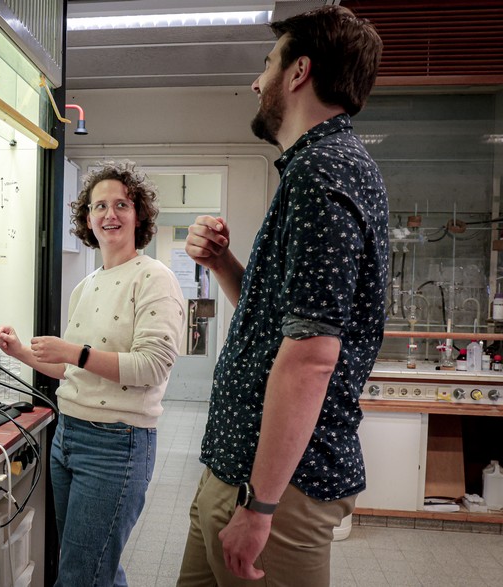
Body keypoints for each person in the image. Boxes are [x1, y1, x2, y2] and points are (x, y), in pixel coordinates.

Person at [176, 6, 387, 587]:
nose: (255, 80)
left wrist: (261, 507)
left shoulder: (324, 170)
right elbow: (281, 326)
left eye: (267, 63)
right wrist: (222, 263)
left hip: (276, 490)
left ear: (297, 73)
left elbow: (313, 358)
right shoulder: (316, 169)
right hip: (237, 468)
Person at [0, 160, 186, 587]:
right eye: (99, 206)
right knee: (94, 567)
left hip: (117, 444)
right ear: (86, 219)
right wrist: (22, 352)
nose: (110, 214)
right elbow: (70, 370)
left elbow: (151, 368)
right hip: (69, 437)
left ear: (140, 217)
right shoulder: (87, 284)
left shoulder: (155, 278)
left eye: (122, 204)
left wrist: (76, 353)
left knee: (82, 574)